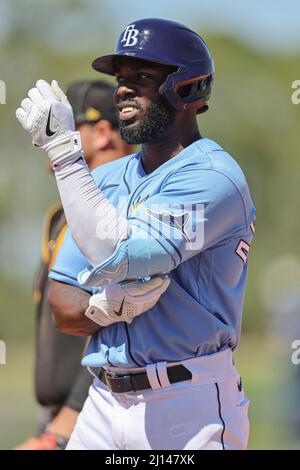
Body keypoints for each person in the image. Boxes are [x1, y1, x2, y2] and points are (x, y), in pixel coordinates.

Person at [16, 18, 256, 450]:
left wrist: (65, 155)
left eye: (142, 77)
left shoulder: (214, 176)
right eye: (121, 79)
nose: (122, 90)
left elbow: (120, 254)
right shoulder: (106, 179)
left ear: (188, 87)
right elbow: (61, 302)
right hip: (102, 401)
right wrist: (102, 307)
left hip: (187, 403)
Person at [15, 80, 135, 450]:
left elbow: (118, 333)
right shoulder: (63, 217)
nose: (48, 139)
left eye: (70, 127)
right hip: (64, 422)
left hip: (98, 420)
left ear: (101, 133)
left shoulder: (124, 213)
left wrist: (60, 431)